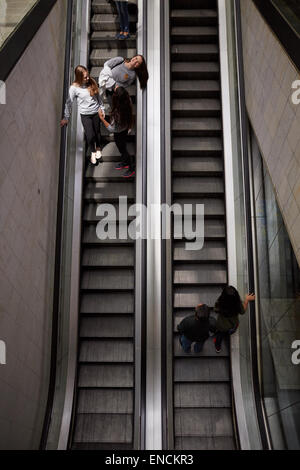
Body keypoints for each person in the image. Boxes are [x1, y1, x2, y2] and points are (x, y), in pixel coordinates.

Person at [61, 65, 105, 165]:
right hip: (85, 115)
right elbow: (69, 103)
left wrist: (102, 109)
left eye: (87, 76)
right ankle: (93, 151)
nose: (88, 78)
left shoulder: (92, 82)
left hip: (96, 112)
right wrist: (66, 117)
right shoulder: (74, 88)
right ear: (79, 77)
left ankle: (98, 147)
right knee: (90, 135)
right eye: (85, 77)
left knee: (97, 132)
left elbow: (98, 97)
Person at [99, 86, 135, 178]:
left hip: (119, 132)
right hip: (125, 128)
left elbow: (112, 129)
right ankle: (124, 162)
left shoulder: (117, 114)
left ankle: (131, 167)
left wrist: (102, 119)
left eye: (115, 93)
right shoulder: (128, 101)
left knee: (122, 149)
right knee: (122, 147)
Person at [213, 286, 255, 353]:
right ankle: (226, 337)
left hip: (221, 325)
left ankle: (218, 347)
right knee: (228, 334)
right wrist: (246, 300)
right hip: (232, 325)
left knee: (219, 336)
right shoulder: (237, 305)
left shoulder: (220, 303)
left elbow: (215, 310)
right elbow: (243, 311)